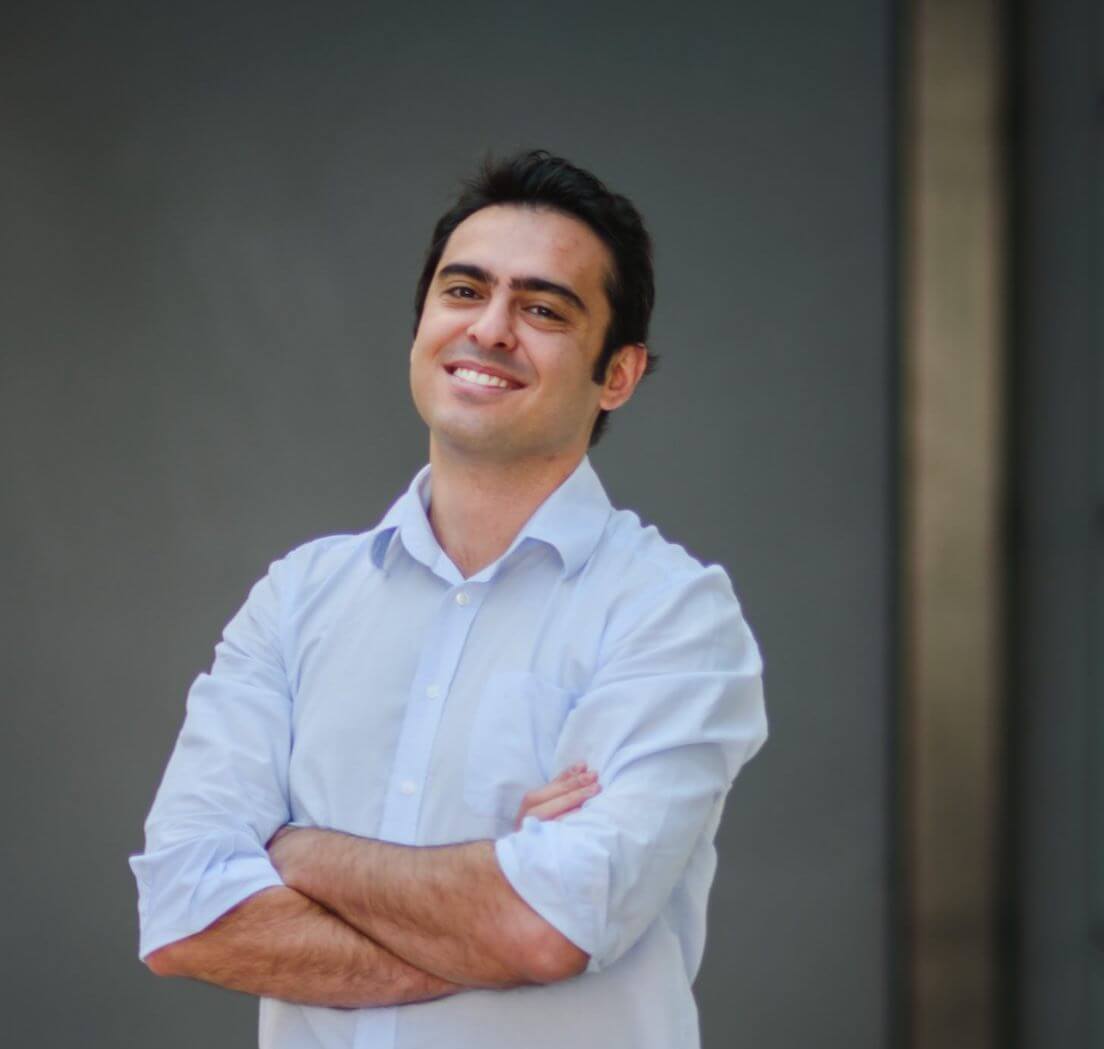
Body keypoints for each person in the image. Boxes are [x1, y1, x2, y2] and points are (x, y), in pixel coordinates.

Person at [127, 150, 768, 1048]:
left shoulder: (673, 614)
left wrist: (297, 851)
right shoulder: (298, 598)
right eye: (463, 291)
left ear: (618, 374)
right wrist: (494, 900)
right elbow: (184, 914)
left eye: (543, 309)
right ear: (422, 326)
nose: (491, 329)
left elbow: (548, 928)